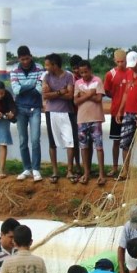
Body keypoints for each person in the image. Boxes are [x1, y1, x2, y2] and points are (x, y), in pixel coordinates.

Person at [10, 45, 45, 182]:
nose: (25, 61)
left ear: (30, 56)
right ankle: (26, 168)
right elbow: (16, 90)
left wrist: (25, 87)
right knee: (23, 140)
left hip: (35, 107)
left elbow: (39, 89)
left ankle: (36, 169)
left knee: (35, 139)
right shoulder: (14, 70)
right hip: (20, 108)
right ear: (19, 58)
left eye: (27, 58)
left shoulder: (39, 67)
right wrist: (32, 85)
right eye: (22, 59)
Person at [41, 53, 76, 184]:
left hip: (66, 112)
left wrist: (53, 94)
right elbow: (45, 95)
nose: (46, 67)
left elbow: (70, 95)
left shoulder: (68, 76)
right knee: (52, 142)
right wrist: (60, 92)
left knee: (70, 141)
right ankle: (55, 171)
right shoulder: (46, 76)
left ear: (55, 65)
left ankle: (70, 170)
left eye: (47, 65)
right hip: (51, 112)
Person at [74, 60, 106, 186]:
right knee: (84, 146)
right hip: (82, 118)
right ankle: (86, 173)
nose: (84, 75)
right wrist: (90, 93)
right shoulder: (77, 83)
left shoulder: (97, 80)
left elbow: (98, 99)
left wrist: (84, 95)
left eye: (86, 72)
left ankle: (101, 174)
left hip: (95, 118)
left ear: (90, 70)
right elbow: (76, 101)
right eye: (81, 72)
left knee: (98, 146)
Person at [103, 49, 129, 178]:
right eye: (118, 61)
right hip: (115, 111)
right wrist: (116, 97)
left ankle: (127, 168)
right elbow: (106, 91)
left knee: (128, 142)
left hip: (129, 111)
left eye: (122, 61)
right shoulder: (110, 74)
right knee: (116, 141)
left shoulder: (131, 72)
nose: (120, 64)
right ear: (114, 61)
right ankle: (114, 167)